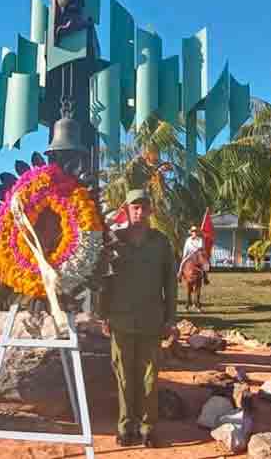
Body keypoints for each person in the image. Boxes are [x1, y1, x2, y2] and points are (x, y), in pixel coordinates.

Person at [98, 189, 177, 448]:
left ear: (150, 211)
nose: (139, 212)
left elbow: (170, 284)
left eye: (143, 208)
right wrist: (103, 315)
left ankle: (147, 427)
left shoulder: (161, 242)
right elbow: (104, 281)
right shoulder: (114, 240)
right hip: (119, 319)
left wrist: (170, 319)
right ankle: (125, 426)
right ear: (127, 210)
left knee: (149, 378)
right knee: (123, 376)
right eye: (135, 208)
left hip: (151, 320)